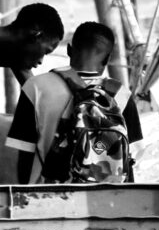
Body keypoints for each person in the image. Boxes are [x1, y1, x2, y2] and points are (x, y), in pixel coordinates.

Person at [6, 21, 143, 184]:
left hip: (53, 197)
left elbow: (24, 156)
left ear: (69, 50)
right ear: (107, 58)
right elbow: (131, 157)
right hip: (109, 199)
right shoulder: (122, 94)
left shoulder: (35, 87)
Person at [0, 2, 64, 86]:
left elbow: (38, 96)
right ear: (36, 34)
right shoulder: (19, 57)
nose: (41, 61)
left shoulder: (17, 57)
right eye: (45, 51)